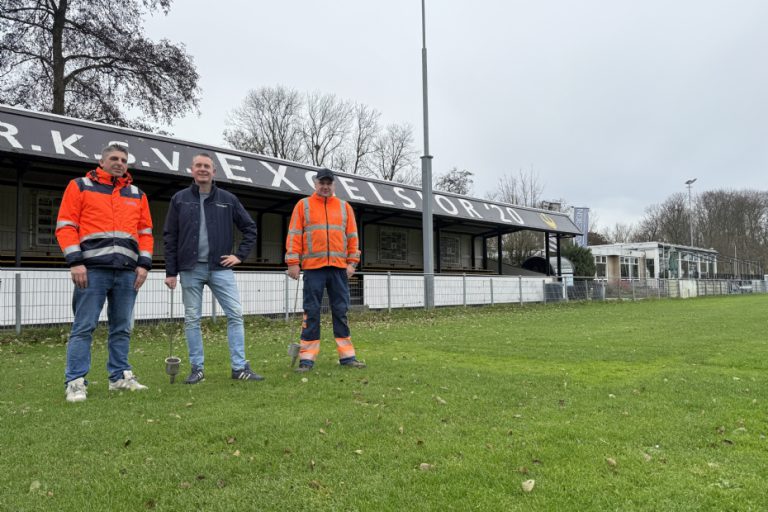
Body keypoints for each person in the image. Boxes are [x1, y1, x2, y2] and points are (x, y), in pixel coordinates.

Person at [56, 144, 154, 402]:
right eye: (114, 158)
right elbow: (66, 226)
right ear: (101, 161)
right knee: (83, 327)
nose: (119, 163)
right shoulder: (80, 186)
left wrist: (144, 265)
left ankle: (119, 377)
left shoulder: (137, 194)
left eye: (123, 159)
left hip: (127, 272)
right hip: (91, 271)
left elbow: (145, 233)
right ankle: (75, 381)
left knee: (122, 328)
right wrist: (75, 262)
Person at [163, 153, 264, 384]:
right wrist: (171, 272)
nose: (202, 169)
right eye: (198, 165)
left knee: (235, 314)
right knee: (192, 319)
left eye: (207, 166)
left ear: (214, 171)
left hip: (221, 268)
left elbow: (250, 228)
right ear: (192, 170)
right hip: (189, 269)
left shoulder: (228, 199)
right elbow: (170, 236)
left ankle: (239, 368)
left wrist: (239, 255)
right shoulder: (179, 199)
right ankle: (197, 369)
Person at [286, 168, 366, 372]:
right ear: (315, 183)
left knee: (341, 311)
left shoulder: (344, 207)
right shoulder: (303, 205)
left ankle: (348, 357)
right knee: (311, 311)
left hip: (339, 269)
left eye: (329, 183)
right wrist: (292, 262)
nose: (325, 186)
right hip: (313, 268)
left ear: (334, 185)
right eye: (322, 183)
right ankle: (306, 359)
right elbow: (294, 234)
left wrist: (352, 263)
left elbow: (353, 237)